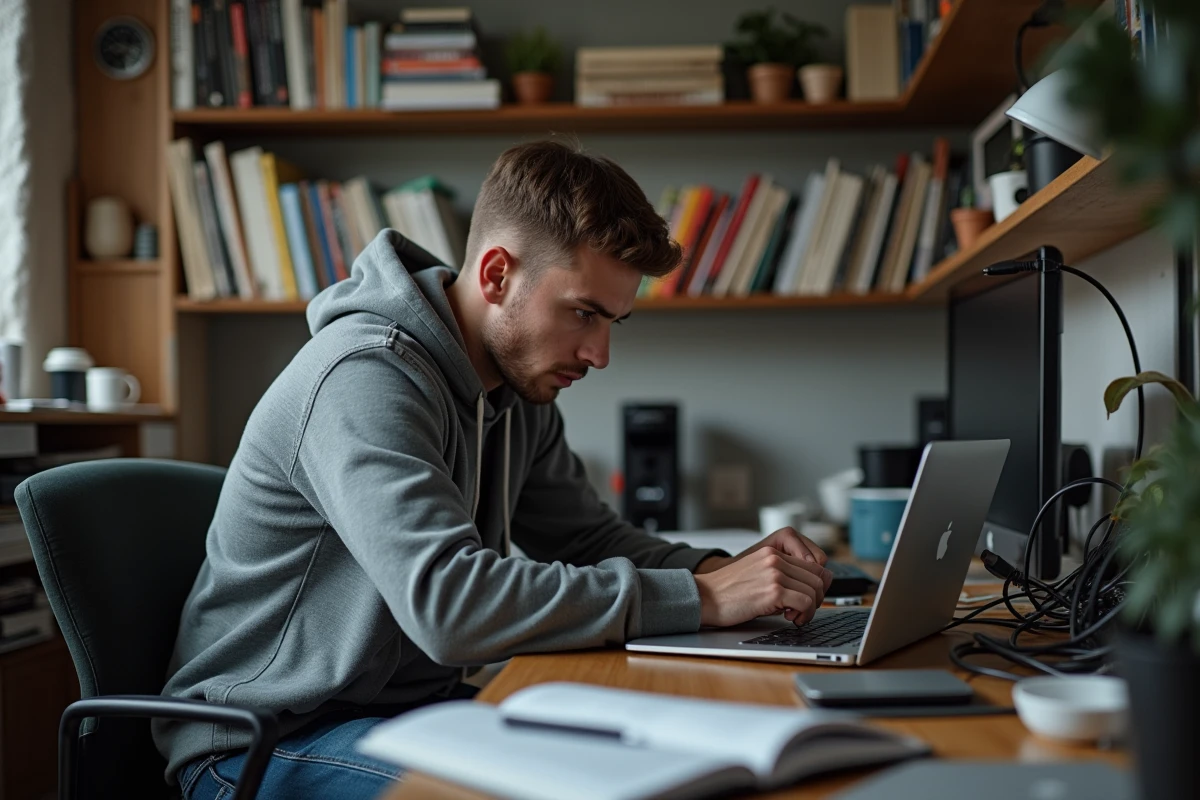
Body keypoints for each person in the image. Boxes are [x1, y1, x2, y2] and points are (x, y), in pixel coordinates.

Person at [157, 140, 833, 800]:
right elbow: (451, 607)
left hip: (412, 716)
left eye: (613, 324)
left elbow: (588, 540)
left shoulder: (518, 390)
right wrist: (707, 601)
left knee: (672, 770)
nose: (598, 354)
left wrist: (728, 570)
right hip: (262, 743)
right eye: (583, 313)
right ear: (496, 275)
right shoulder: (362, 379)